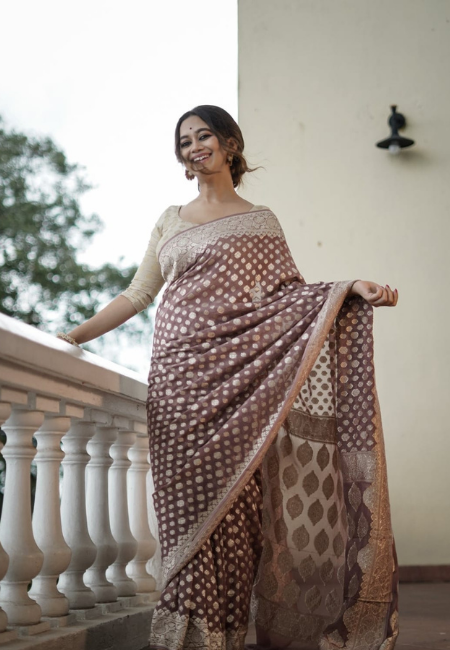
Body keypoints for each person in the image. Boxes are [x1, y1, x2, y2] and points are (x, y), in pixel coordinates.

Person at [58, 105, 399, 650]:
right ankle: (183, 634)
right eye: (184, 141)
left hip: (238, 385)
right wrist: (74, 336)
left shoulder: (259, 221)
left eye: (204, 136)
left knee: (235, 507)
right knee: (183, 508)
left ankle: (221, 635)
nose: (194, 147)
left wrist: (349, 290)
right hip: (178, 377)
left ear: (229, 144)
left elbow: (289, 298)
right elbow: (137, 294)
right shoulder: (170, 218)